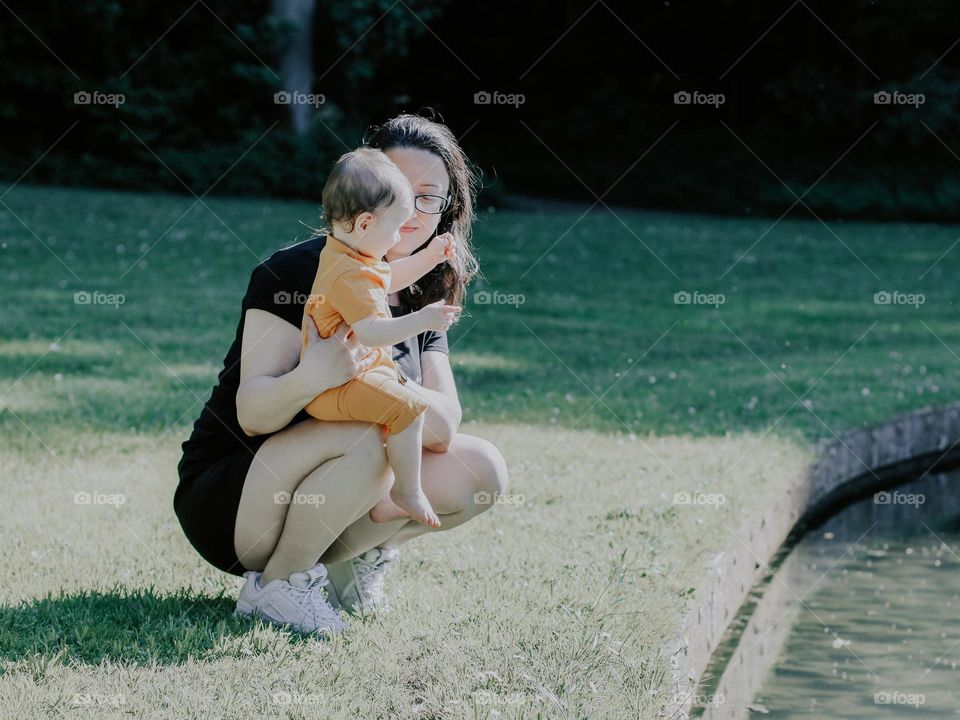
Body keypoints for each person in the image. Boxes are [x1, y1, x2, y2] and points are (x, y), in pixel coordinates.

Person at [173, 113, 509, 635]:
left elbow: (444, 424)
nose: (416, 213)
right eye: (402, 190)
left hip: (334, 489)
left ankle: (352, 565)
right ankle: (277, 588)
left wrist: (388, 387)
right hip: (236, 497)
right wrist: (315, 375)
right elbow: (254, 414)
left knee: (480, 470)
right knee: (370, 433)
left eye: (432, 197)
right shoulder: (294, 273)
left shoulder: (421, 290)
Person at [299, 147, 461, 530]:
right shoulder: (349, 274)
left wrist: (431, 258)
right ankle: (404, 492)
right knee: (407, 408)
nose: (393, 244)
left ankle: (396, 493)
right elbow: (371, 333)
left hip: (350, 378)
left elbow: (391, 278)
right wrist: (423, 319)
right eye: (392, 231)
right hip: (336, 388)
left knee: (405, 406)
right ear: (366, 223)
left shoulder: (349, 255)